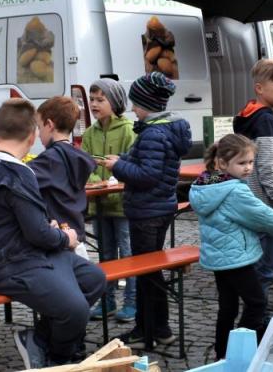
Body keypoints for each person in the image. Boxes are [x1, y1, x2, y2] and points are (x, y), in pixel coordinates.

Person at [0, 99, 105, 368]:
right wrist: (67, 239)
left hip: (20, 253)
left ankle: (39, 340)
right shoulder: (15, 172)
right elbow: (38, 233)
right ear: (33, 135)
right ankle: (57, 361)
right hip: (7, 262)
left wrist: (51, 233)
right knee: (75, 310)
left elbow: (28, 225)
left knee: (94, 279)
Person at [98, 72, 191, 349]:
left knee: (147, 271)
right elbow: (145, 161)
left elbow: (147, 174)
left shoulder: (153, 132)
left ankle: (151, 329)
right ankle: (155, 327)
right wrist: (123, 159)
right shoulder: (163, 129)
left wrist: (117, 167)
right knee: (150, 270)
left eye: (135, 103)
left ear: (145, 104)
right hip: (157, 208)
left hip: (147, 211)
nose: (132, 108)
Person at [189, 134, 273, 360]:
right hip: (236, 258)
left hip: (219, 258)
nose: (248, 168)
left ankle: (222, 353)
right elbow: (261, 214)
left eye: (251, 162)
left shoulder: (206, 183)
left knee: (228, 308)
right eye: (242, 163)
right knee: (257, 303)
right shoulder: (235, 190)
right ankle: (240, 351)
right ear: (223, 163)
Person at [232, 60, 273, 296]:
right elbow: (267, 167)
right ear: (259, 88)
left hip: (250, 199)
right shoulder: (266, 119)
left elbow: (257, 160)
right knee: (266, 268)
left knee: (256, 265)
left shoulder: (247, 115)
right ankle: (257, 317)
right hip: (265, 205)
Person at [80, 78, 137, 322]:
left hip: (122, 206)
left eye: (100, 100)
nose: (94, 104)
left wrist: (116, 174)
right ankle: (108, 300)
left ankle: (133, 302)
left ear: (114, 103)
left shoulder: (128, 130)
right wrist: (93, 178)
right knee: (105, 255)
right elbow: (85, 163)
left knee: (128, 254)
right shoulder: (90, 133)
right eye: (92, 100)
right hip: (100, 205)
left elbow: (132, 163)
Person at [28, 96, 95, 245]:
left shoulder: (49, 160)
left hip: (59, 236)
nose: (38, 134)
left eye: (39, 127)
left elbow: (18, 176)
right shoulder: (78, 155)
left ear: (50, 125)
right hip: (77, 232)